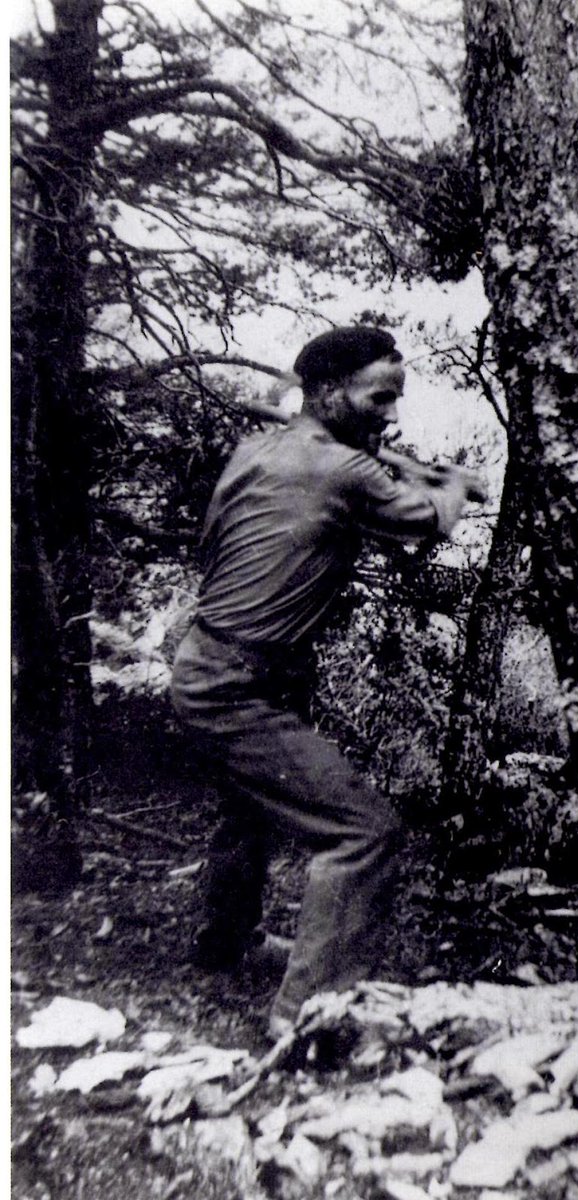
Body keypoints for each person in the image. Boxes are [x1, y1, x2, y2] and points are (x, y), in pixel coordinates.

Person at [170, 325, 473, 1037]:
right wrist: (453, 485)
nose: (391, 416)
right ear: (330, 391)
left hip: (207, 661)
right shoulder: (344, 470)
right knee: (364, 832)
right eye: (378, 399)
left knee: (248, 804)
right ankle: (309, 1017)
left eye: (395, 400)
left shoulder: (258, 450)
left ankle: (225, 939)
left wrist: (390, 473)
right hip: (235, 687)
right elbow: (429, 522)